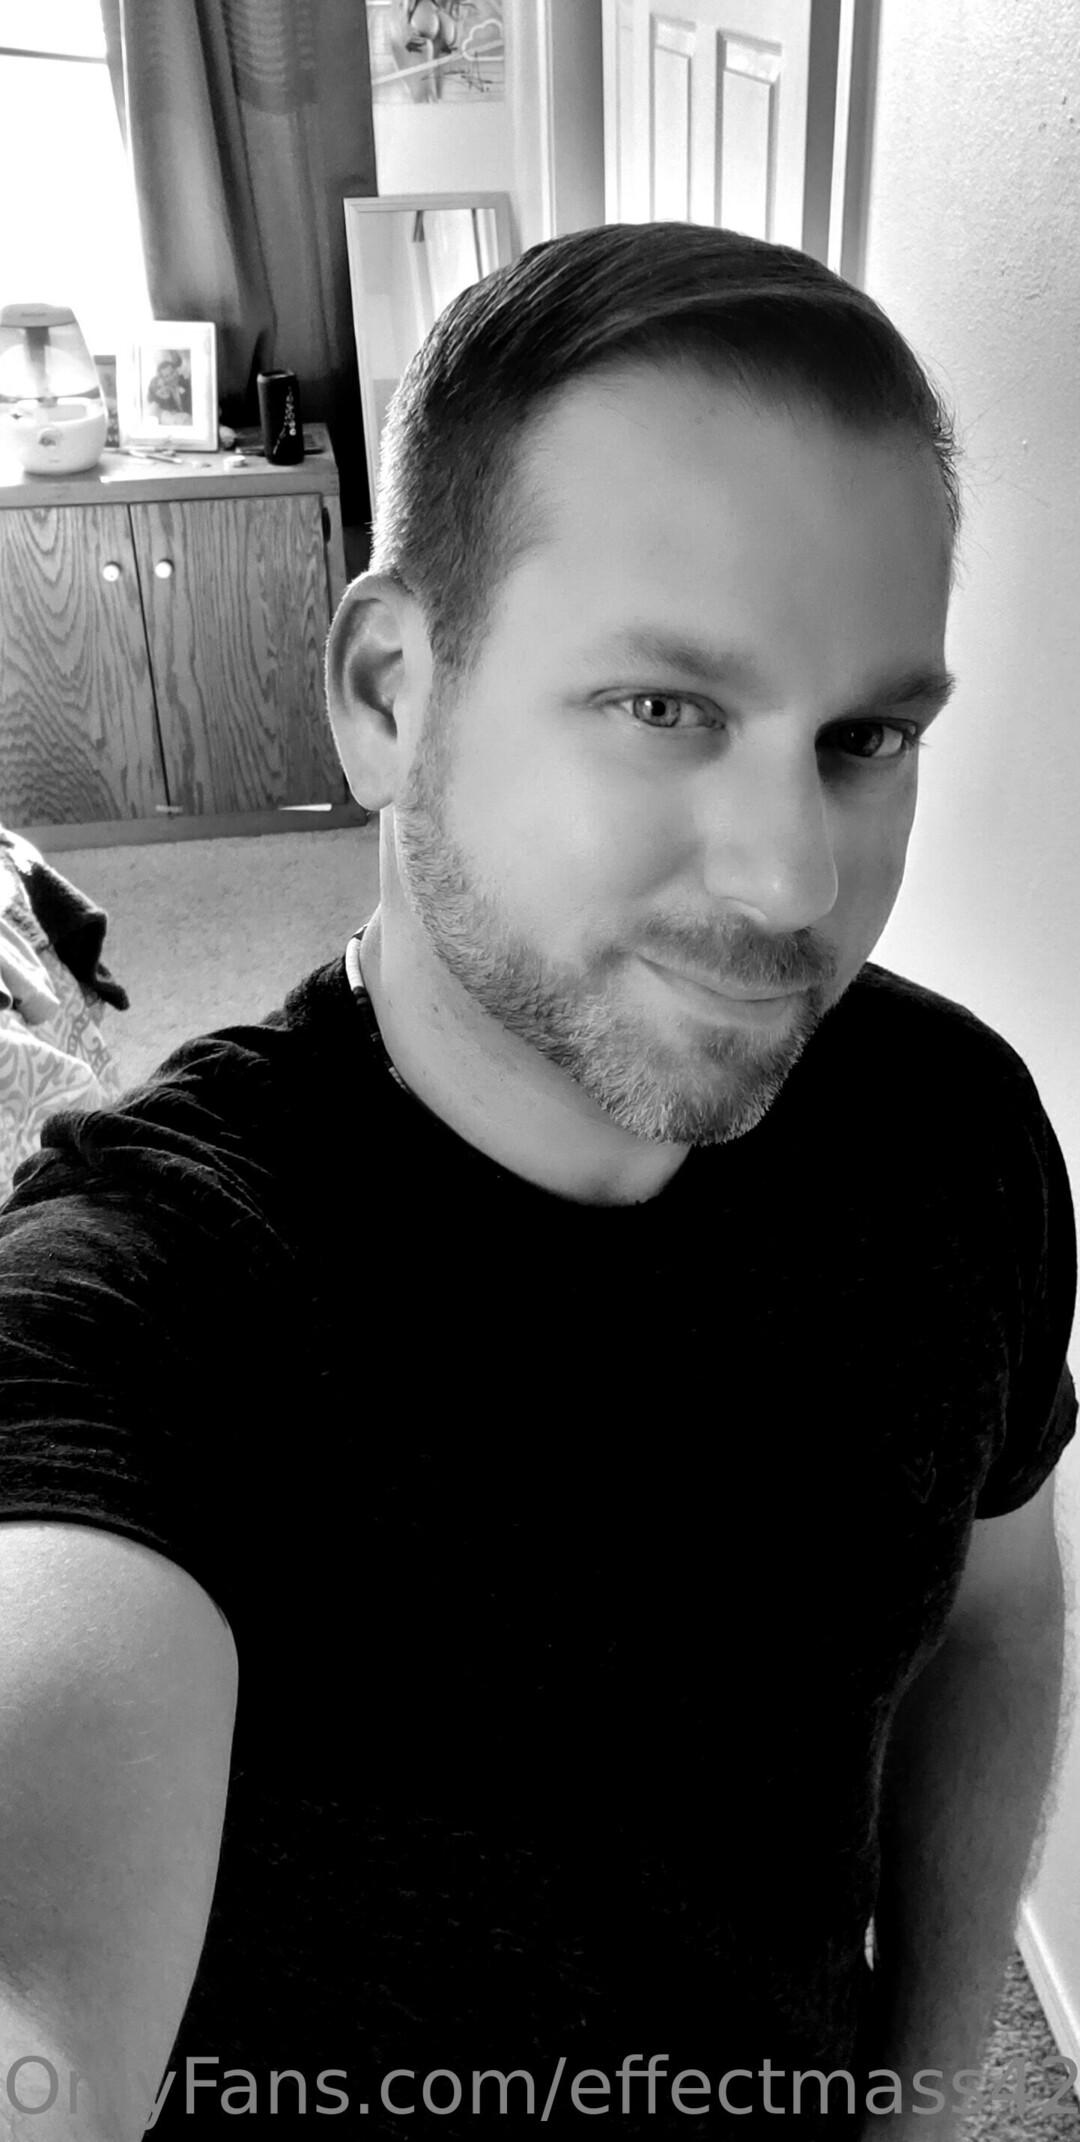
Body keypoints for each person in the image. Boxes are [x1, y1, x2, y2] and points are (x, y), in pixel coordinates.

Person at [0, 222, 1075, 2140]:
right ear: (388, 691)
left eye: (863, 738)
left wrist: (920, 2093)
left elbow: (992, 1602)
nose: (792, 877)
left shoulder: (955, 1128)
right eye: (667, 707)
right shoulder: (150, 1306)